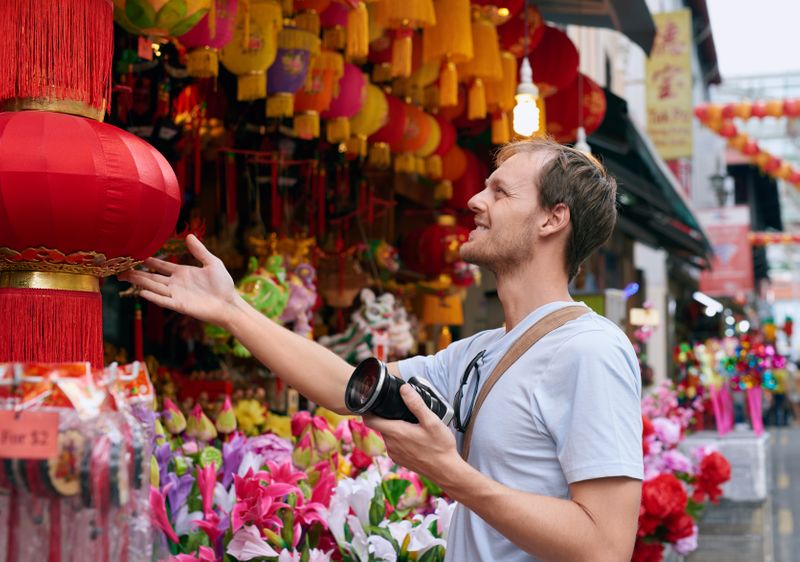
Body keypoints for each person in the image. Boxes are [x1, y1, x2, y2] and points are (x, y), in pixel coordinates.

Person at [120, 138, 643, 562]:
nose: (474, 202)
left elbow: (605, 545)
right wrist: (232, 309)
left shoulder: (589, 350)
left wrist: (451, 475)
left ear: (553, 219)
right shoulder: (480, 352)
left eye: (500, 193)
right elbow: (347, 387)